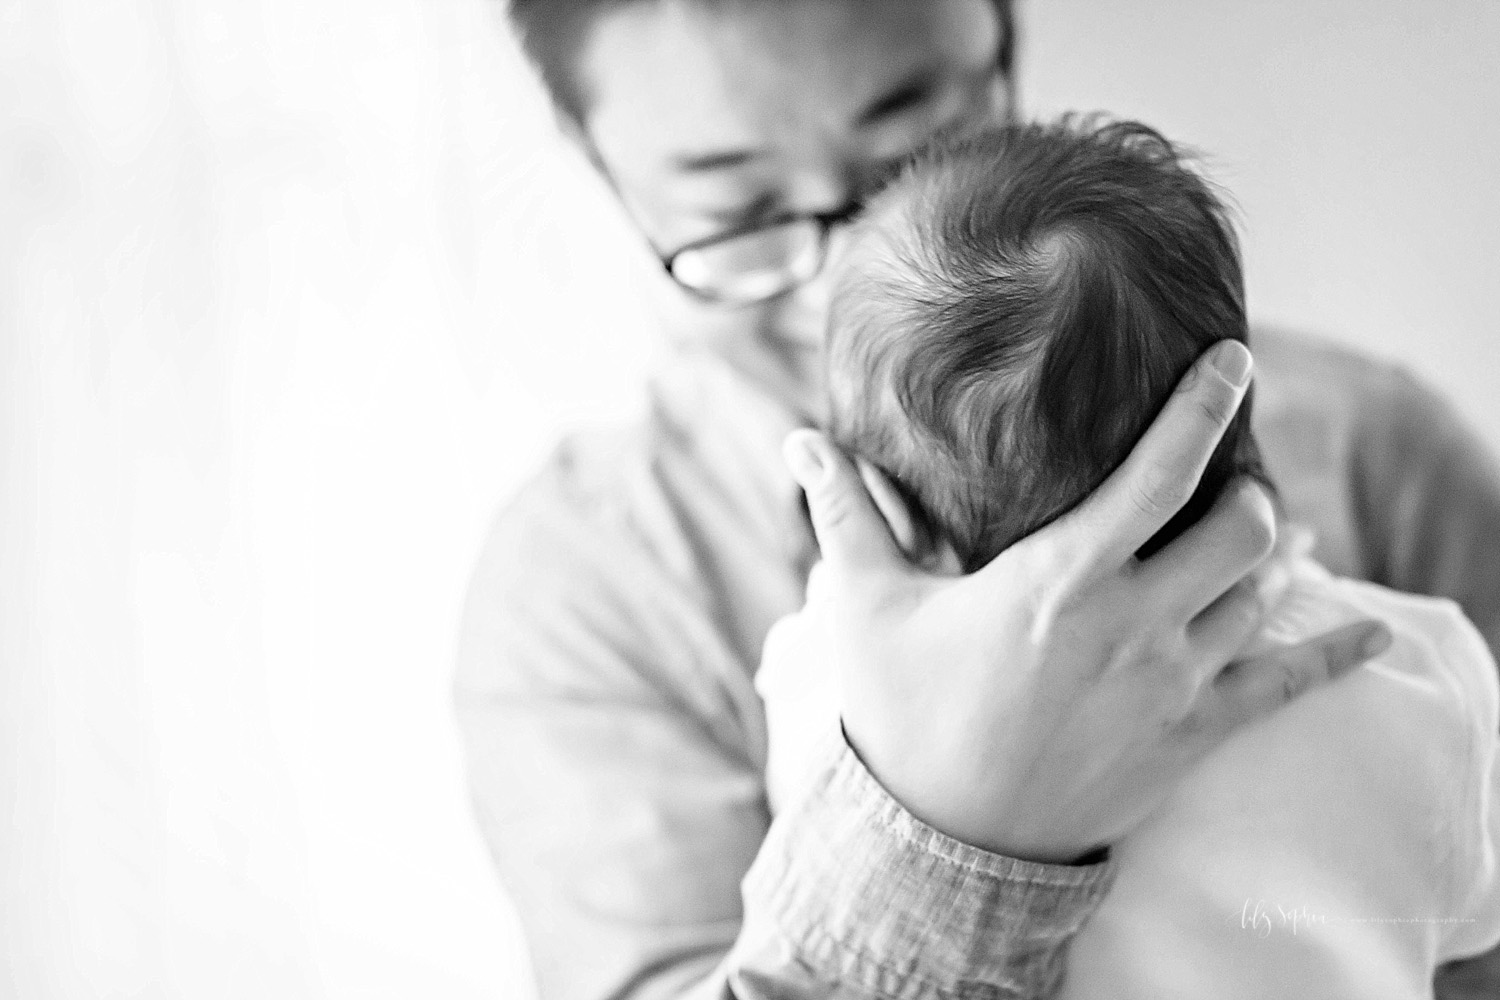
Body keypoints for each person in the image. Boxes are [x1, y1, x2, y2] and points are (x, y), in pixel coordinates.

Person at [454, 1, 1500, 997]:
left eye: (918, 159)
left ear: (1004, 49)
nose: (838, 286)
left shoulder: (1378, 453)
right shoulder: (587, 601)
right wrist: (952, 832)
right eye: (741, 214)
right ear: (602, 169)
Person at [755, 117, 1500, 999]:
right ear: (1232, 427)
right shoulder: (1417, 673)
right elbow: (1465, 924)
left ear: (873, 508)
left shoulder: (817, 680)